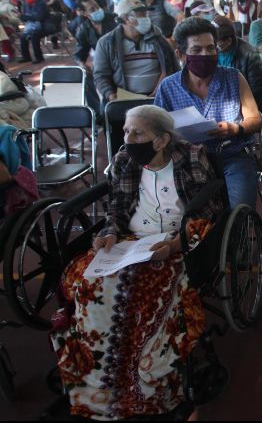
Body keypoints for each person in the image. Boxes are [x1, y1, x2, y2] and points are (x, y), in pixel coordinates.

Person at [52, 105, 222, 420]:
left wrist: (174, 245)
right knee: (90, 287)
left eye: (136, 132)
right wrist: (109, 233)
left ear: (161, 140)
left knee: (149, 296)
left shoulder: (191, 157)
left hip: (176, 241)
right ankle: (98, 382)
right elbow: (117, 207)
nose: (127, 138)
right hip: (132, 242)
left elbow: (205, 212)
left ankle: (149, 385)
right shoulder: (125, 160)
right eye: (126, 131)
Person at [154, 17, 262, 210]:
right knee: (190, 216)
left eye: (210, 48)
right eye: (196, 50)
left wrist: (235, 129)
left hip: (232, 155)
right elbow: (157, 131)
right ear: (181, 54)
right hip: (186, 162)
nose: (205, 54)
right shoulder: (168, 88)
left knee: (241, 211)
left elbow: (255, 120)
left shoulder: (234, 78)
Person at [93, 0, 179, 102]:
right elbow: (100, 75)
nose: (146, 18)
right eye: (141, 15)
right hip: (123, 101)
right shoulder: (107, 43)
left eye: (146, 14)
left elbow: (172, 68)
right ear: (125, 19)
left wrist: (160, 90)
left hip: (157, 98)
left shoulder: (159, 40)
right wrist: (110, 94)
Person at [213, 16, 262, 107]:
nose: (215, 46)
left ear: (229, 41)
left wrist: (237, 102)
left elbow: (257, 87)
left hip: (241, 100)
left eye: (218, 43)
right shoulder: (210, 51)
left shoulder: (249, 54)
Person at [18, 0, 48, 64]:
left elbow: (40, 17)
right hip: (31, 26)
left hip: (43, 26)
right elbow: (25, 18)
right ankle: (26, 57)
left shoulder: (41, 4)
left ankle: (39, 57)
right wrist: (20, 16)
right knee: (22, 37)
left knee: (34, 36)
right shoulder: (26, 4)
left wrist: (27, 17)